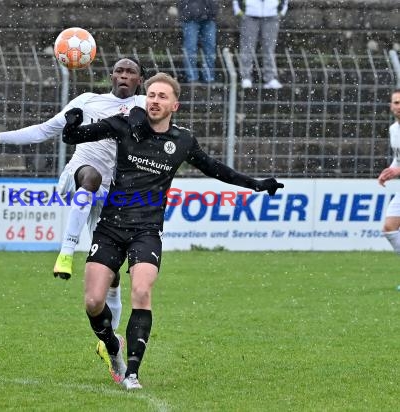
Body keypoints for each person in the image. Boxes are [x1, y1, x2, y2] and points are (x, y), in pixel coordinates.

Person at [62, 72, 284, 389]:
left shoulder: (181, 141)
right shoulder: (123, 124)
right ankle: (113, 349)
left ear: (174, 105)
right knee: (93, 302)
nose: (155, 100)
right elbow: (74, 137)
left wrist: (256, 184)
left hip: (147, 230)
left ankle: (132, 373)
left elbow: (216, 169)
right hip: (111, 226)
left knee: (141, 291)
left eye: (162, 96)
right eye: (151, 94)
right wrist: (71, 122)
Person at [0, 58, 146, 330]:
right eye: (119, 70)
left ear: (139, 80)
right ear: (110, 76)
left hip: (112, 193)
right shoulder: (87, 101)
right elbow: (43, 131)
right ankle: (66, 252)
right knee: (91, 177)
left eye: (130, 72)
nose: (124, 75)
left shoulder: (144, 106)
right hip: (79, 174)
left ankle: (111, 341)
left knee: (112, 274)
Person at [232, 0, 289, 89]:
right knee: (247, 47)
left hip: (272, 14)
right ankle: (246, 77)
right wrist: (238, 10)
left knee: (269, 48)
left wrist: (282, 11)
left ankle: (270, 78)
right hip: (249, 14)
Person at [378, 89, 400, 286]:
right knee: (389, 228)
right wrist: (390, 170)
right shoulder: (394, 129)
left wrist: (397, 171)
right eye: (396, 102)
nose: (399, 106)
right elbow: (398, 158)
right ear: (391, 106)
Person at [178, 0, 219, 84]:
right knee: (191, 48)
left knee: (209, 48)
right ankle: (192, 78)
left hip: (209, 14)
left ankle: (209, 77)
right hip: (190, 15)